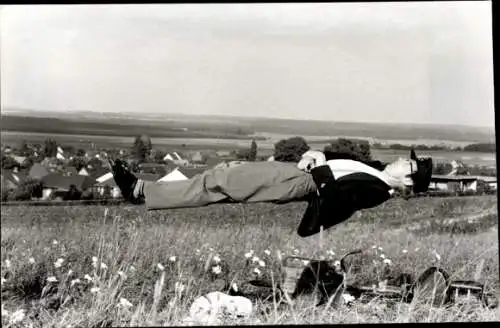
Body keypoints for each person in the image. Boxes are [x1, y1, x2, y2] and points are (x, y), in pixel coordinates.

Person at [109, 149, 432, 237]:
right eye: (409, 158)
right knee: (218, 182)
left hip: (298, 183)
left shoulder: (376, 190)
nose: (405, 159)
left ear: (408, 182)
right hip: (295, 173)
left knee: (223, 180)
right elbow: (331, 160)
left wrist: (317, 166)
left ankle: (140, 191)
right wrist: (316, 154)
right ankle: (141, 191)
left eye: (410, 164)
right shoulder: (374, 168)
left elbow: (333, 196)